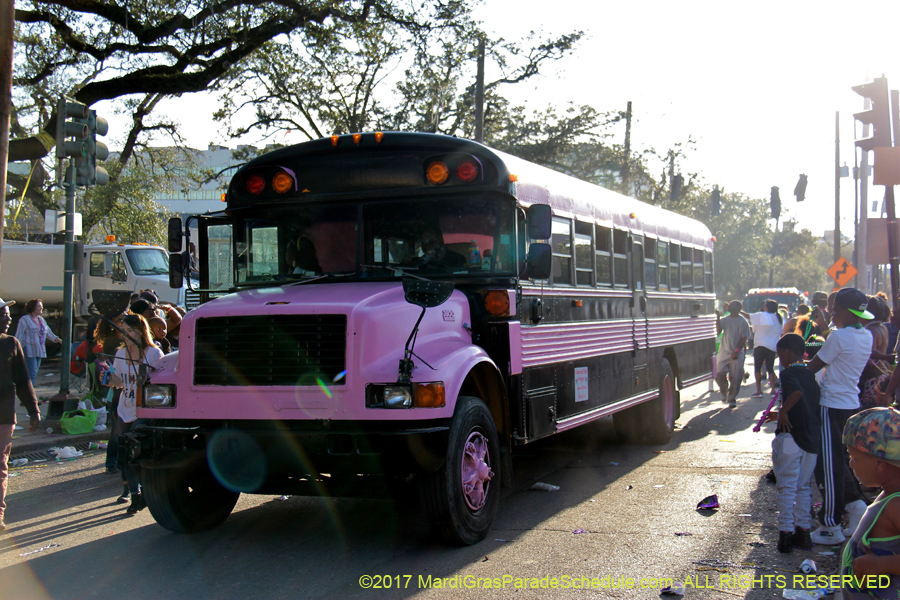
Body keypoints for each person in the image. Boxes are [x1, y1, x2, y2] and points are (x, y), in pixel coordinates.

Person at [808, 287, 874, 544]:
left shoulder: (838, 337)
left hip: (830, 405)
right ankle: (856, 505)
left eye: (835, 310)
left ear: (846, 311)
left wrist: (795, 370)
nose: (833, 314)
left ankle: (830, 525)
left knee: (829, 466)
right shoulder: (864, 336)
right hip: (850, 403)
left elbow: (815, 365)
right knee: (840, 461)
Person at [764, 333, 821, 553]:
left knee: (786, 487)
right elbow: (805, 402)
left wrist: (783, 413)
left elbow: (795, 393)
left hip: (789, 439)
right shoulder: (810, 373)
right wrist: (779, 413)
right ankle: (804, 533)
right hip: (811, 440)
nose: (780, 359)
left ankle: (785, 535)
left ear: (787, 352)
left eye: (779, 355)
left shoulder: (789, 372)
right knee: (804, 487)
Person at [839, 407, 900, 598]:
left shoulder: (896, 505)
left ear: (880, 463)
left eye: (854, 457)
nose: (851, 464)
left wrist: (880, 565)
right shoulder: (888, 495)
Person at [108, 314, 163, 514]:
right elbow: (118, 382)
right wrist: (108, 379)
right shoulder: (120, 353)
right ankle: (134, 495)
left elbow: (160, 382)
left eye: (129, 331)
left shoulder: (153, 353)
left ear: (140, 331)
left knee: (137, 453)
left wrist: (145, 379)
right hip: (124, 408)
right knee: (125, 455)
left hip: (144, 409)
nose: (125, 335)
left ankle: (146, 491)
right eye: (123, 331)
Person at [0, 298, 40, 532]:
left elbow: (23, 381)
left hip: (3, 417)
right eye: (3, 314)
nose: (8, 318)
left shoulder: (11, 344)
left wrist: (33, 410)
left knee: (1, 467)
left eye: (8, 314)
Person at [14, 298, 62, 385]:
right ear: (32, 308)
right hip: (29, 350)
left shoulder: (41, 320)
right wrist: (16, 348)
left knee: (34, 373)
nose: (41, 308)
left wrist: (58, 340)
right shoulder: (24, 320)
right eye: (38, 306)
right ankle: (30, 394)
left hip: (39, 350)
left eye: (41, 306)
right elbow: (19, 335)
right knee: (31, 374)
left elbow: (48, 333)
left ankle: (29, 391)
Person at [715, 300, 751, 407]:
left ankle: (732, 398)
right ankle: (724, 390)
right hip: (723, 352)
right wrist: (717, 318)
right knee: (718, 373)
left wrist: (737, 351)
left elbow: (744, 338)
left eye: (733, 306)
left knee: (736, 377)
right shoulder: (725, 320)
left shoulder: (743, 322)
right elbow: (717, 331)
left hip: (737, 353)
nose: (730, 307)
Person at [749, 299, 782, 397]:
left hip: (760, 345)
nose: (763, 306)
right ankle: (772, 390)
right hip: (772, 346)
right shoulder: (779, 317)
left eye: (764, 305)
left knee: (757, 368)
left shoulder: (761, 315)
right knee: (770, 368)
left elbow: (748, 316)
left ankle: (759, 390)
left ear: (767, 307)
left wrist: (738, 310)